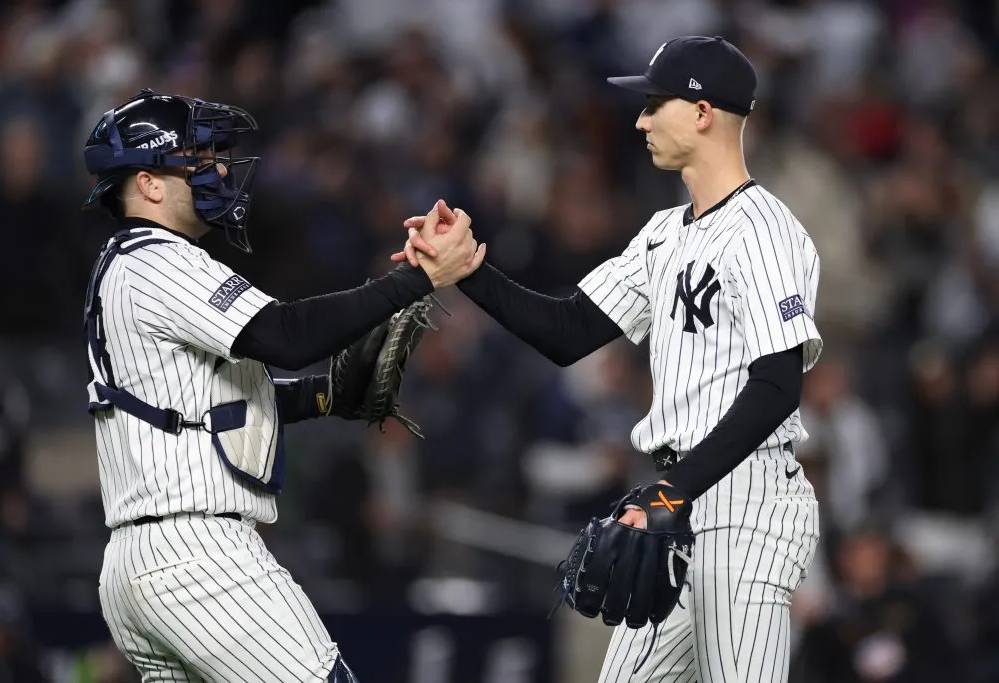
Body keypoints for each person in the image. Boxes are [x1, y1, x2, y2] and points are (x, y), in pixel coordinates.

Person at [396, 36, 823, 682]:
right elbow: (568, 330)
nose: (640, 120)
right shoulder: (662, 233)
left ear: (703, 113)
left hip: (747, 503)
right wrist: (468, 270)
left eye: (655, 104)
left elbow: (777, 385)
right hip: (675, 502)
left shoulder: (765, 231)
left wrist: (675, 491)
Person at [80, 88, 483, 682]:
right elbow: (287, 335)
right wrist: (416, 278)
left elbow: (208, 406)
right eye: (199, 157)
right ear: (149, 183)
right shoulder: (155, 259)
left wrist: (323, 395)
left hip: (139, 563)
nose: (219, 168)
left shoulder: (126, 266)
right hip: (197, 554)